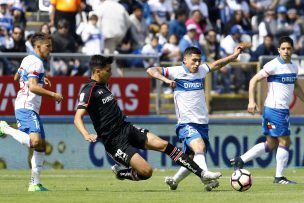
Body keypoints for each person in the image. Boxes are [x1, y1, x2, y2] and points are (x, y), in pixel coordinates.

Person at [74, 55, 222, 187]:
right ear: (97, 71)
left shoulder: (104, 85)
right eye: (107, 70)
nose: (111, 73)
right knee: (146, 172)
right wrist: (86, 134)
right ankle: (122, 173)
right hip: (114, 141)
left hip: (126, 128)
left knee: (164, 145)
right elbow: (77, 117)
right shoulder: (89, 89)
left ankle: (202, 174)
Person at [146, 43, 248, 191]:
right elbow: (151, 70)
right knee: (199, 147)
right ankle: (205, 176)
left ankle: (174, 181)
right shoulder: (176, 71)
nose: (197, 63)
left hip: (202, 123)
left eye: (199, 60)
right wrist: (166, 80)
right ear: (184, 60)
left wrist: (234, 56)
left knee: (192, 159)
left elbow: (217, 64)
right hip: (186, 123)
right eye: (193, 60)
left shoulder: (201, 71)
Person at [230, 36, 304, 184]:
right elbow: (253, 80)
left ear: (292, 50)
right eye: (283, 48)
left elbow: (295, 86)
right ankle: (279, 177)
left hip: (278, 111)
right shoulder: (273, 65)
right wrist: (251, 100)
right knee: (285, 141)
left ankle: (240, 159)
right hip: (275, 110)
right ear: (278, 50)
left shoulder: (294, 66)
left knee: (271, 143)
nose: (286, 51)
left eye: (289, 48)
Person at [0, 32, 63, 191]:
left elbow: (16, 77)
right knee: (35, 142)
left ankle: (34, 184)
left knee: (40, 146)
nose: (50, 49)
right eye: (47, 46)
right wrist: (53, 94)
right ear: (38, 46)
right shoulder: (37, 63)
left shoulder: (28, 58)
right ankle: (5, 128)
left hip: (28, 106)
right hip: (27, 106)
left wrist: (41, 79)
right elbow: (33, 87)